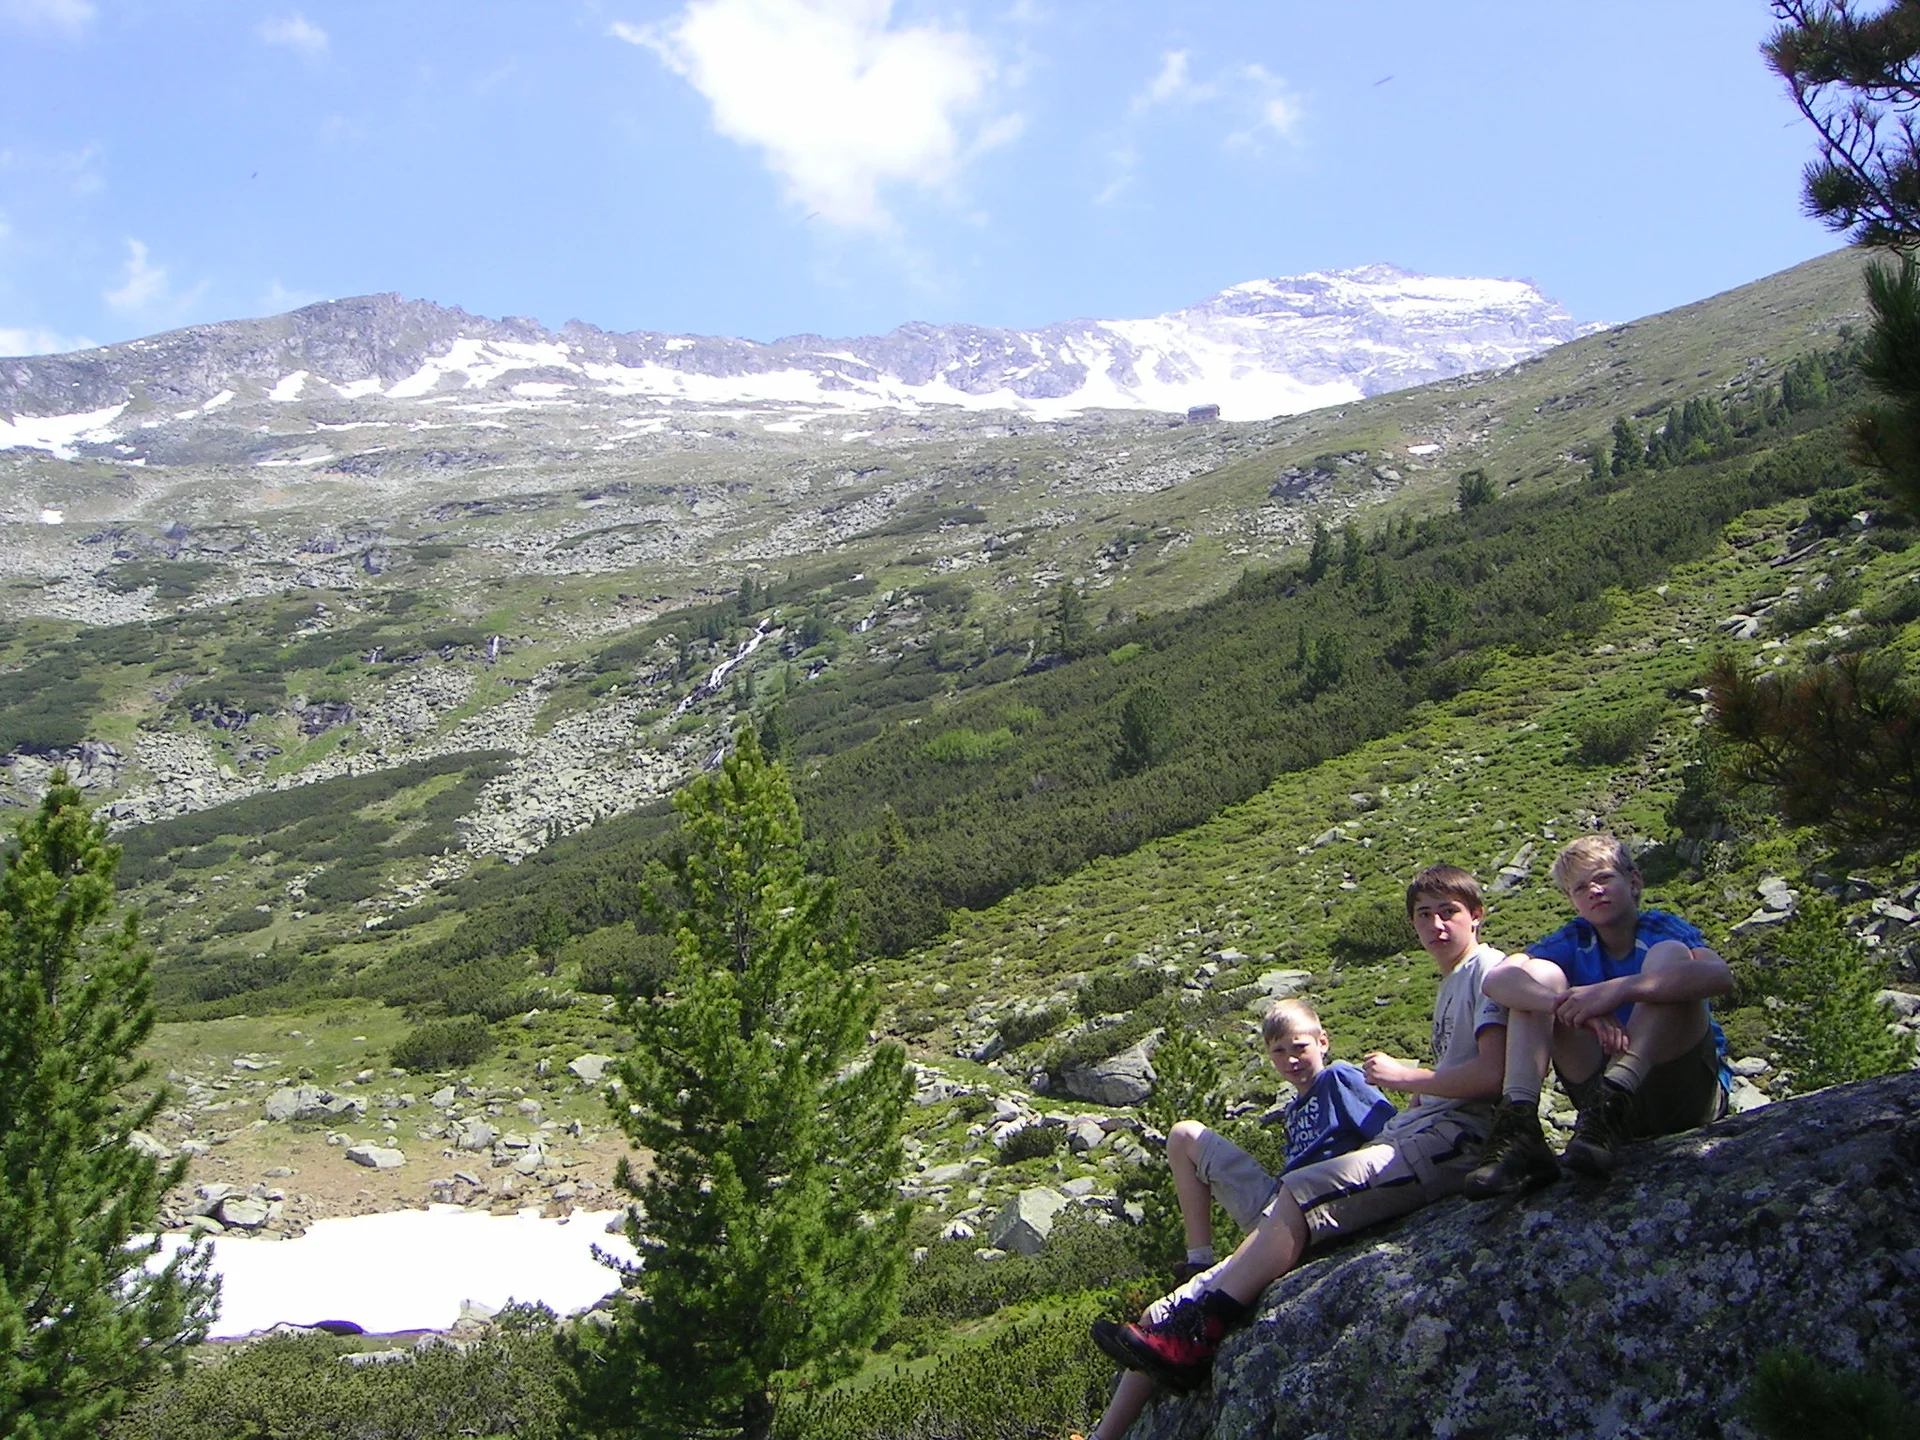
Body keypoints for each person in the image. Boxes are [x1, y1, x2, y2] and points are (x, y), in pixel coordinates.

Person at [1086, 864, 1509, 1403]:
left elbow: (1489, 1078)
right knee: (1168, 1296)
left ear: (1477, 915)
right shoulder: (1454, 982)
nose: (1436, 926)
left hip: (1450, 1141)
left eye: (1448, 912)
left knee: (1301, 1191)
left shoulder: (1486, 971)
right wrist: (1424, 1088)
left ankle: (1203, 1333)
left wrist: (1410, 1079)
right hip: (1421, 1133)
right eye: (1424, 916)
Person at [1076, 1000, 1394, 1440]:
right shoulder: (1296, 1108)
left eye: (1299, 1047)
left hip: (1316, 1207)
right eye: (1279, 1052)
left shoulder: (1340, 1078)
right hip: (1280, 1201)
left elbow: (1389, 1137)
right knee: (1184, 1135)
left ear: (1323, 1041)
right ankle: (1198, 1259)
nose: (1291, 1060)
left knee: (1156, 1316)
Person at [1460, 834, 1731, 1198]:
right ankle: (1519, 1126)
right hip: (1597, 1116)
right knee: (1539, 976)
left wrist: (1622, 989)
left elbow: (1719, 977)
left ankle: (1616, 1094)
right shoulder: (1574, 939)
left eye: (1604, 878)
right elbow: (1498, 980)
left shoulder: (1662, 929)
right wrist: (1571, 1007)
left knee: (1669, 957)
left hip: (1679, 1091)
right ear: (1571, 899)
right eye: (1580, 887)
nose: (1594, 891)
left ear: (1633, 881)